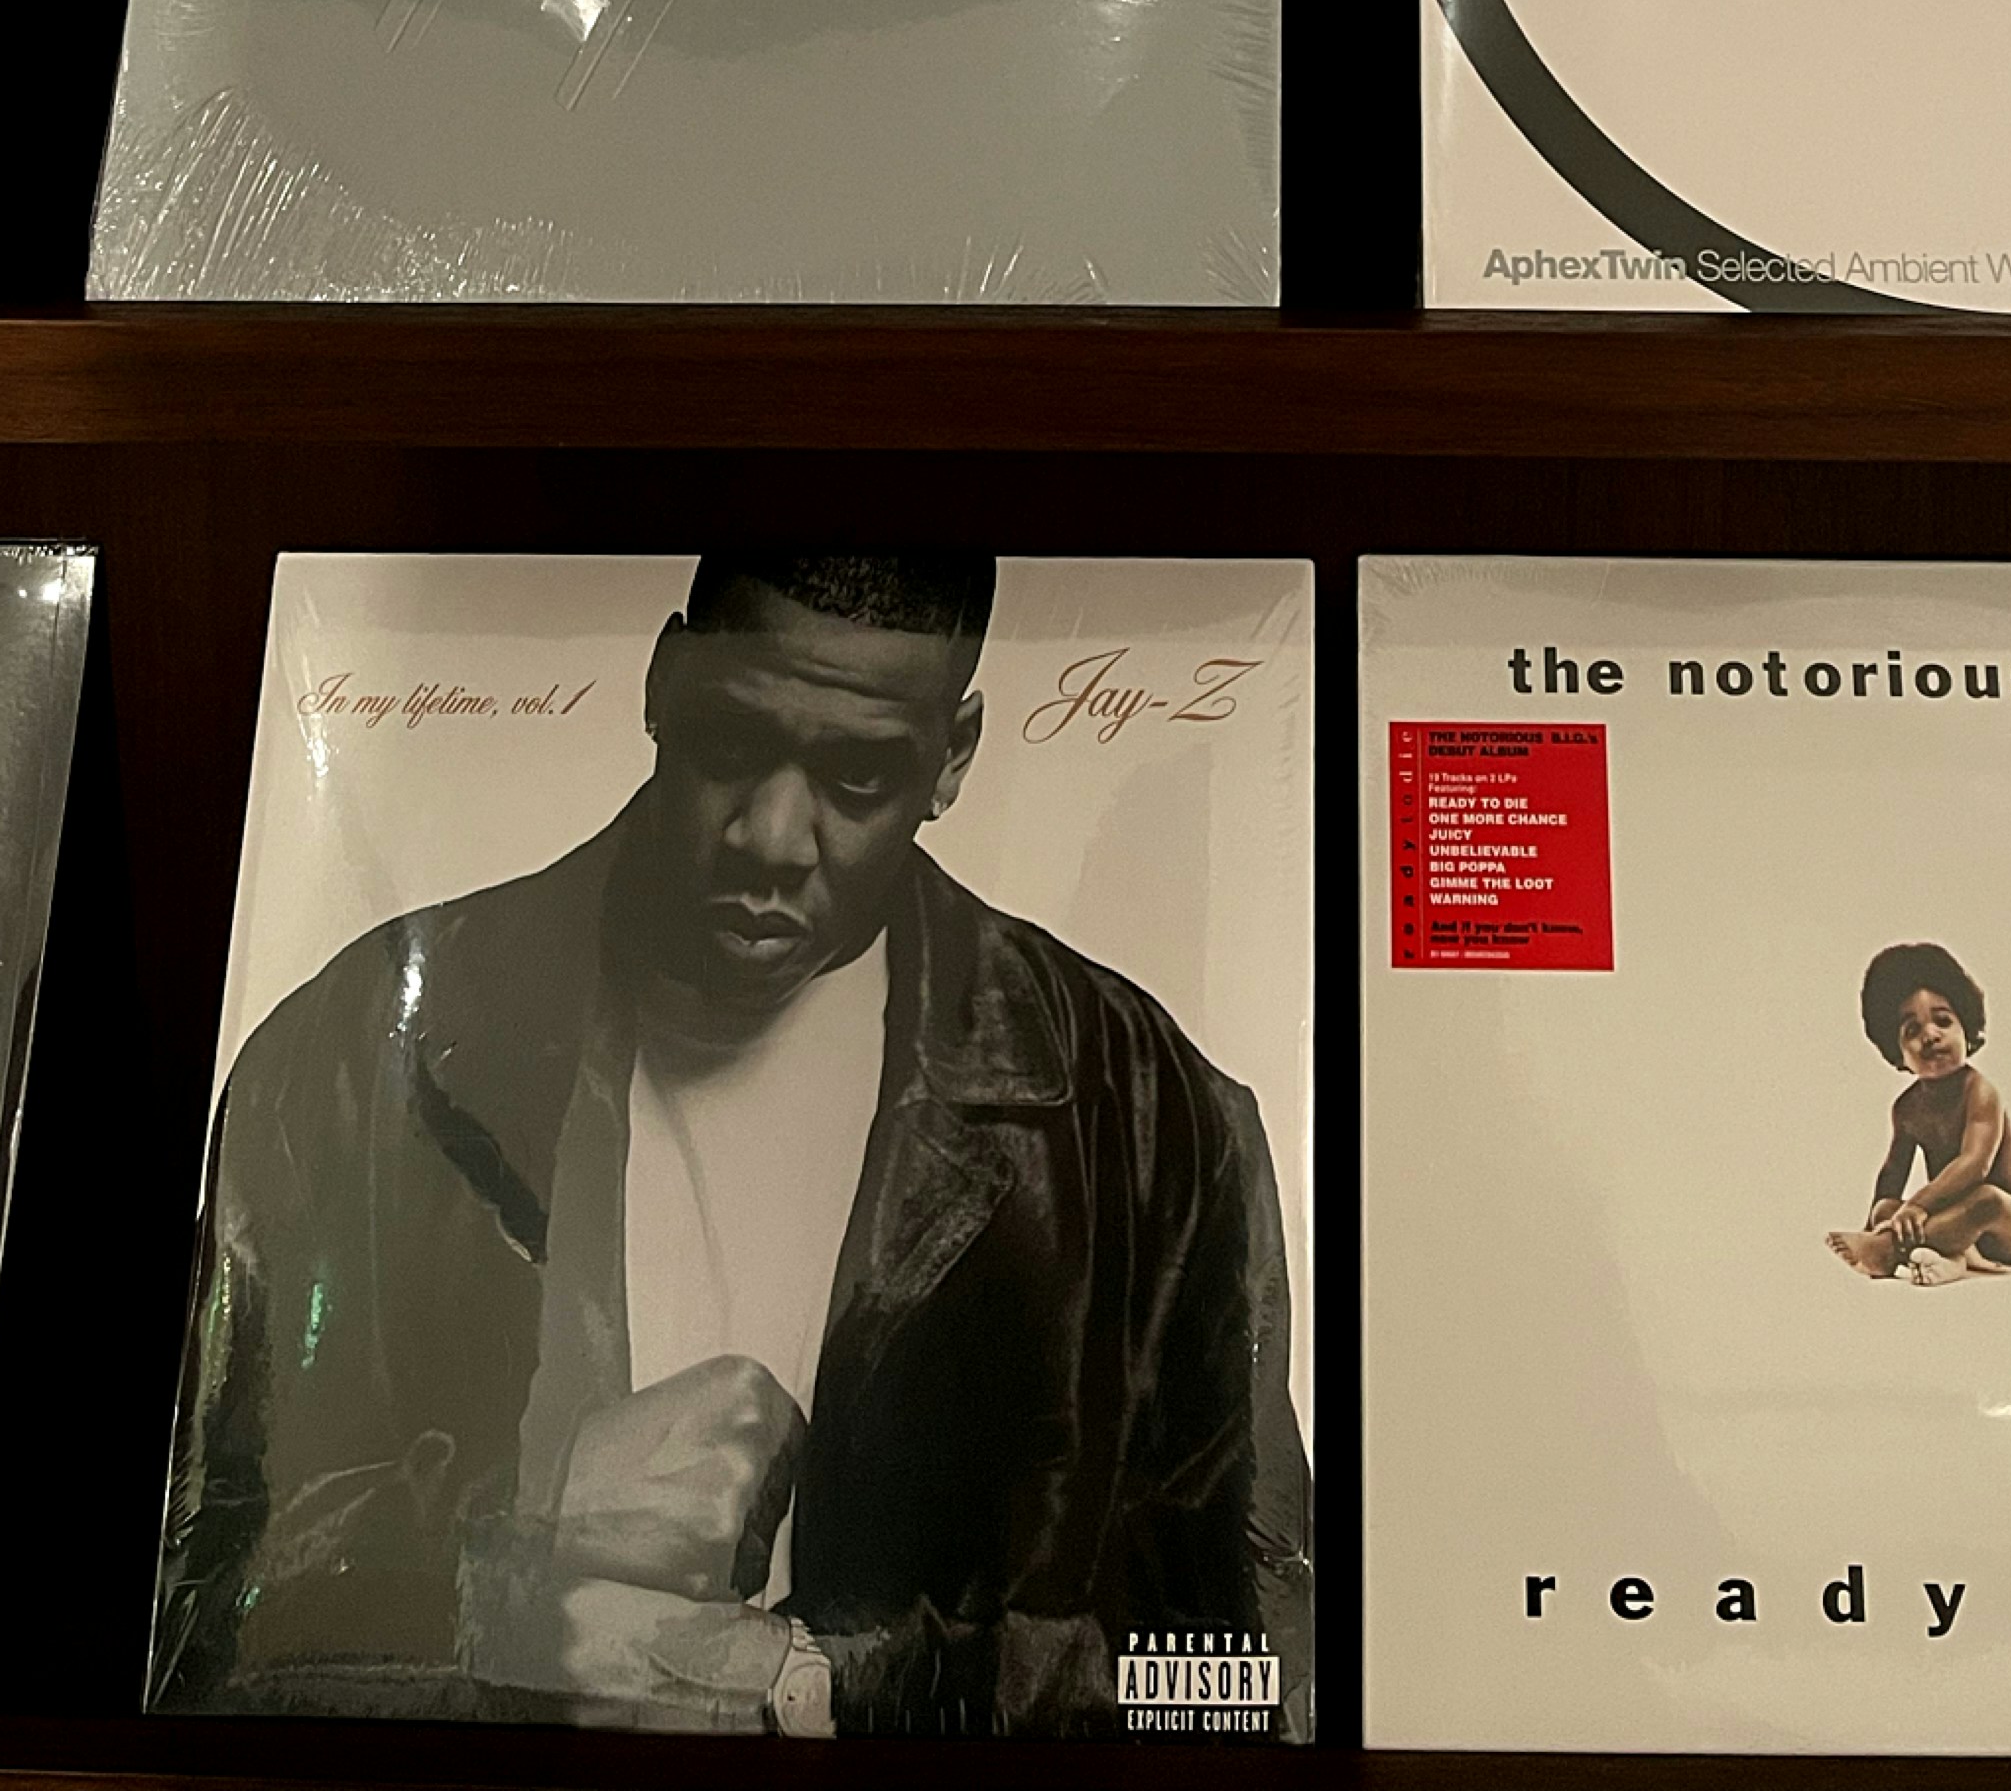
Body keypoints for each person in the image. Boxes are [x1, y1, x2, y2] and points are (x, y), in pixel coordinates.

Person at [153, 547, 1310, 1734]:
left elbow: (1245, 1683)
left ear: (952, 758)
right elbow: (189, 1621)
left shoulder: (1152, 1118)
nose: (768, 837)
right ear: (663, 681)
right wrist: (517, 1544)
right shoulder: (358, 1049)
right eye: (730, 742)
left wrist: (823, 1690)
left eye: (858, 777)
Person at [1824, 942, 2011, 1284]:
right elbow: (1893, 1172)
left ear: (1967, 1028)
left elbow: (1974, 1164)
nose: (1930, 1036)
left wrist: (1917, 1207)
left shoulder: (1980, 1092)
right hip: (1946, 1221)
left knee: (1987, 1200)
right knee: (1886, 1208)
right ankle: (1946, 1258)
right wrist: (1874, 1222)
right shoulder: (1907, 1108)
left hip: (1999, 1229)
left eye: (1943, 1021)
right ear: (1898, 1054)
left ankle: (1890, 1250)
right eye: (1912, 1030)